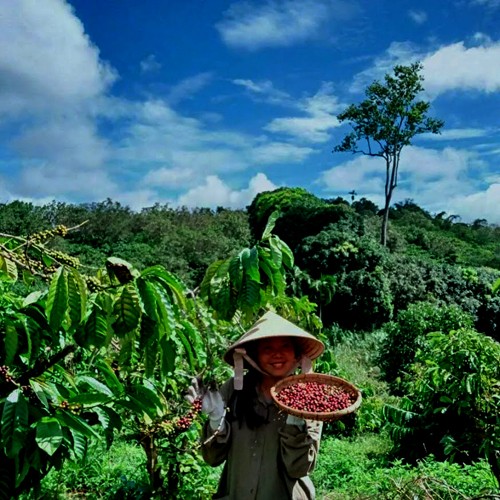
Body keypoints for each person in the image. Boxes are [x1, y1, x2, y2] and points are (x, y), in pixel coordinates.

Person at [186, 310, 325, 499]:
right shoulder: (234, 391)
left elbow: (299, 468)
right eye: (267, 348)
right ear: (255, 356)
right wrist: (215, 419)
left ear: (296, 354)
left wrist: (296, 420)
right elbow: (212, 458)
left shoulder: (308, 399)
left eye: (285, 346)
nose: (277, 354)